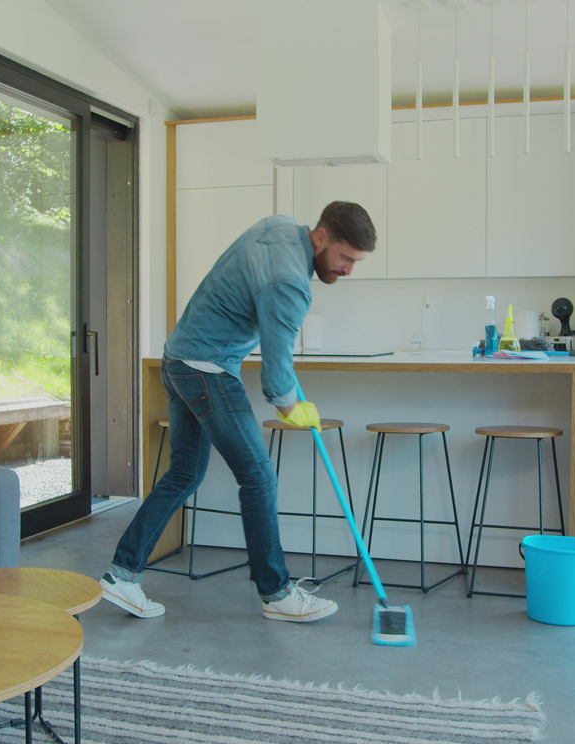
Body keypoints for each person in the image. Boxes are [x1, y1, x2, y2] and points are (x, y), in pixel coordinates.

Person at [100, 201, 376, 623]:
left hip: (178, 359)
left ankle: (122, 573)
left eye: (355, 262)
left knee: (185, 473)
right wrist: (292, 408)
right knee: (259, 476)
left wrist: (287, 388)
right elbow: (276, 379)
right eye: (345, 258)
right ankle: (277, 591)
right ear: (321, 237)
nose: (348, 270)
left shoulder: (281, 225)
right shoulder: (290, 284)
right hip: (208, 368)